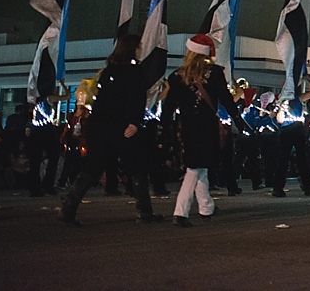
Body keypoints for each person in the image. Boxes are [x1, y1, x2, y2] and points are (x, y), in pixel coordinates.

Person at [60, 35, 163, 225]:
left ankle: (69, 207)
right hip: (120, 124)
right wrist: (134, 122)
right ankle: (144, 210)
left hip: (98, 124)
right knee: (137, 165)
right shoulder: (134, 71)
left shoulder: (108, 71)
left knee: (94, 166)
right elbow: (136, 98)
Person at [161, 34, 249, 227]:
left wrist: (164, 126)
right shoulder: (214, 73)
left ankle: (206, 207)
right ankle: (180, 212)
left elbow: (169, 106)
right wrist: (239, 121)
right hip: (206, 126)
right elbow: (226, 100)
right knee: (195, 168)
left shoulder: (176, 76)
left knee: (199, 166)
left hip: (185, 127)